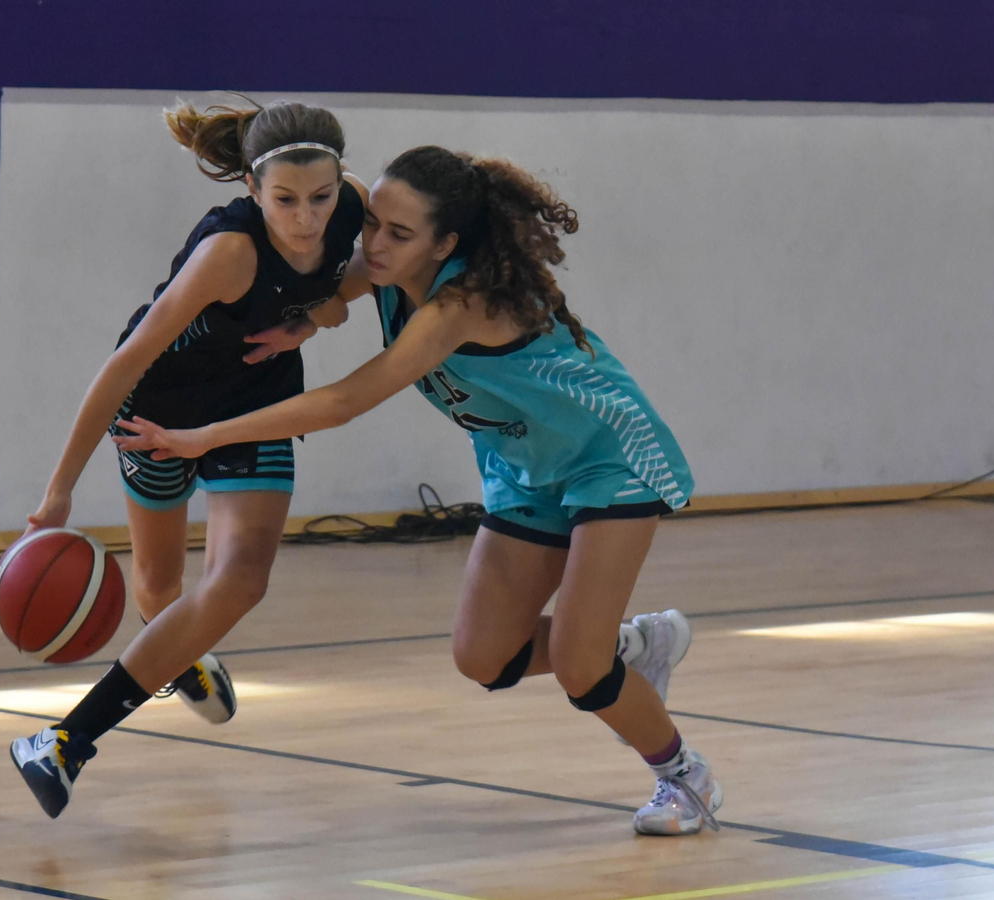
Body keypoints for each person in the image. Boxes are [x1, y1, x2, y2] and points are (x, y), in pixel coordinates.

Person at [116, 145, 722, 835]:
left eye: (398, 234)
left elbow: (346, 400)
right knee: (483, 657)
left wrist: (207, 435)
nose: (373, 243)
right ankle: (637, 645)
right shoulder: (381, 268)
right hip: (522, 465)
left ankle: (684, 776)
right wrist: (306, 321)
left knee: (583, 668)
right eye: (371, 222)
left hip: (607, 454)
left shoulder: (462, 303)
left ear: (446, 243)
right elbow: (326, 288)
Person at [10, 99, 369, 818]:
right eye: (286, 200)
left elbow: (371, 268)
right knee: (158, 591)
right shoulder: (228, 254)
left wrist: (316, 314)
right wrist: (58, 494)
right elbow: (122, 364)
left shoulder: (354, 206)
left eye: (321, 198)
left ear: (340, 182)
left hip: (253, 403)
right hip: (157, 409)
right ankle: (179, 651)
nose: (306, 217)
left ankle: (62, 742)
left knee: (240, 580)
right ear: (250, 189)